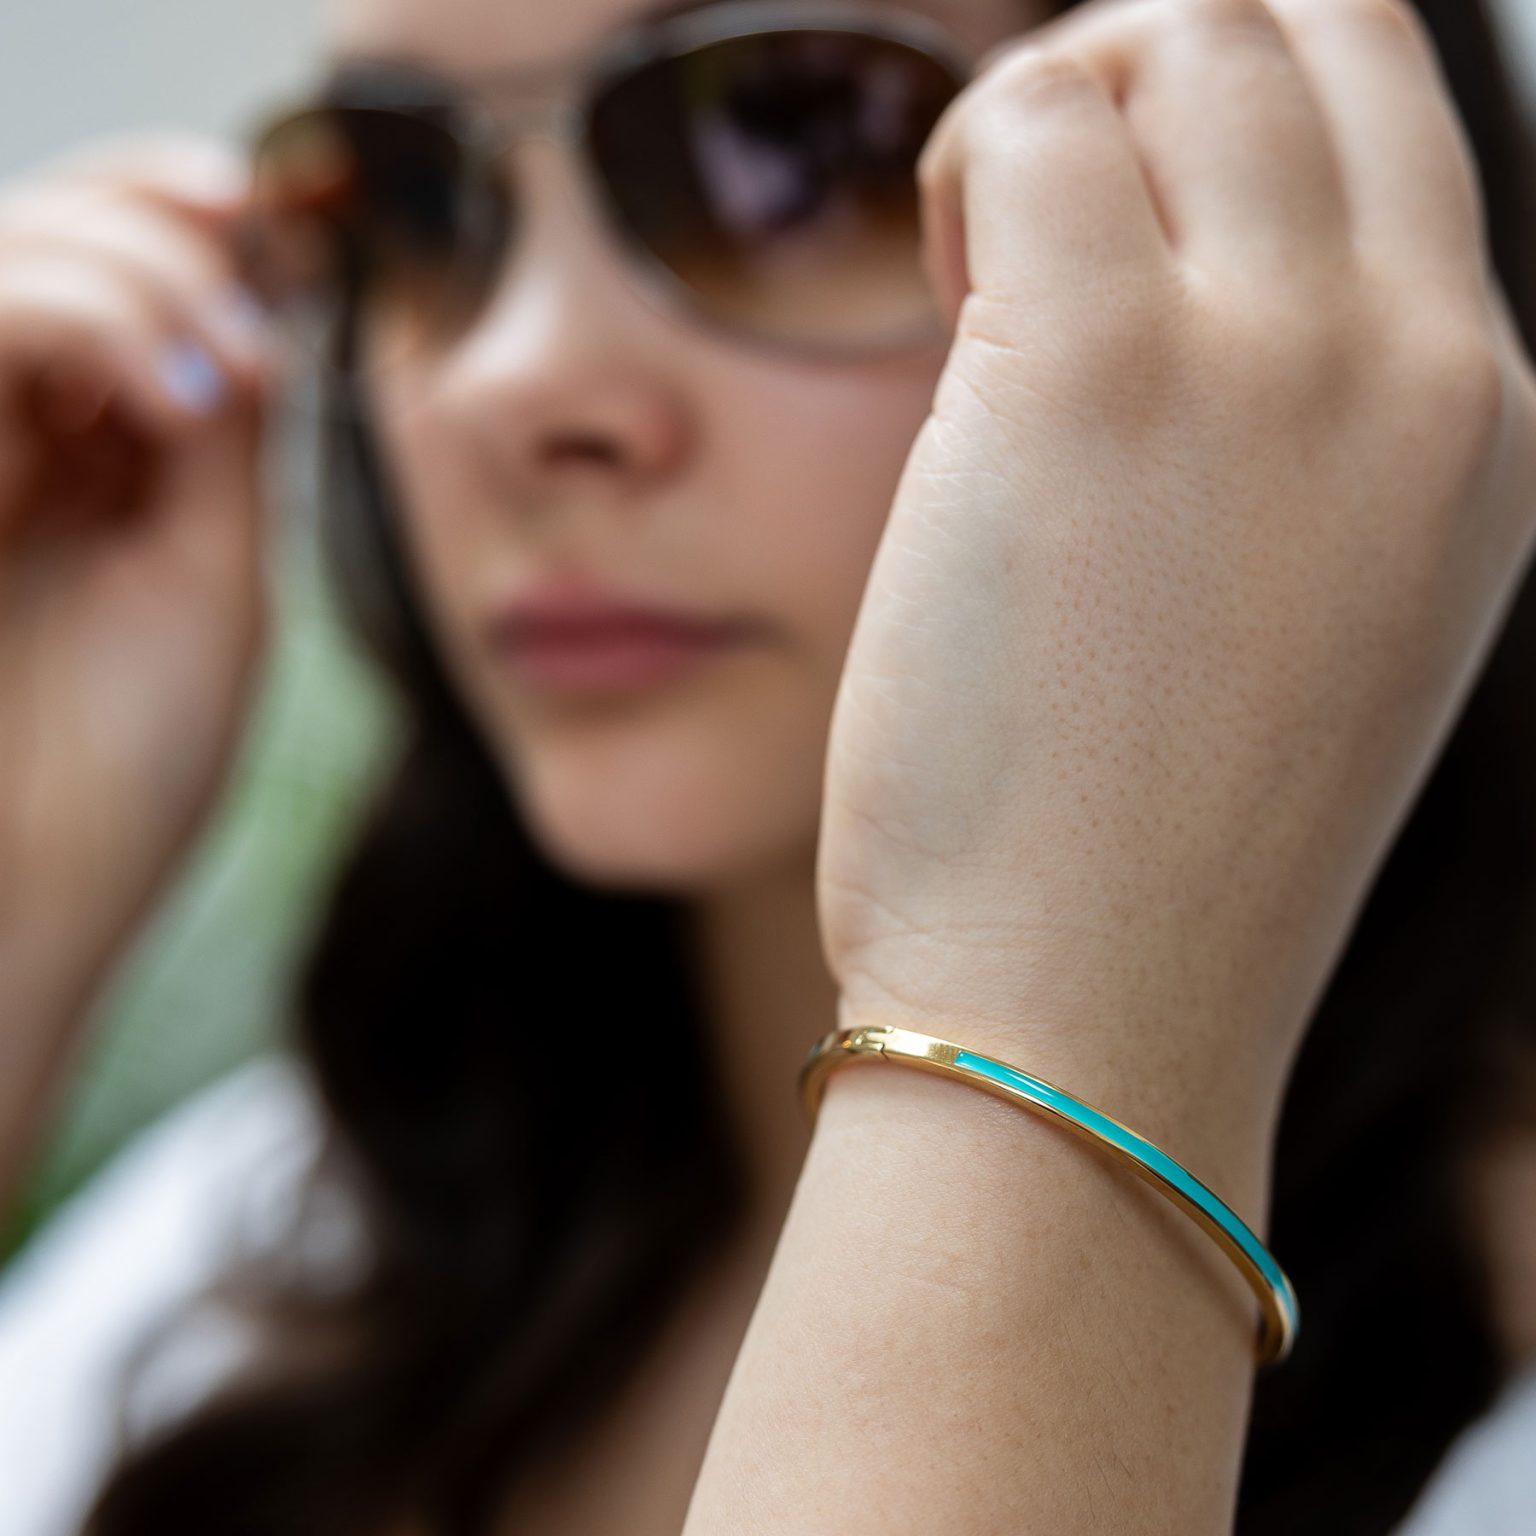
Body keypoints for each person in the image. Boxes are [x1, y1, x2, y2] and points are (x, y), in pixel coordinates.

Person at [1, 0, 1534, 1531]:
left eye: (794, 143)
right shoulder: (255, 1264)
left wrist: (1060, 1006)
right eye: (412, 191)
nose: (510, 383)